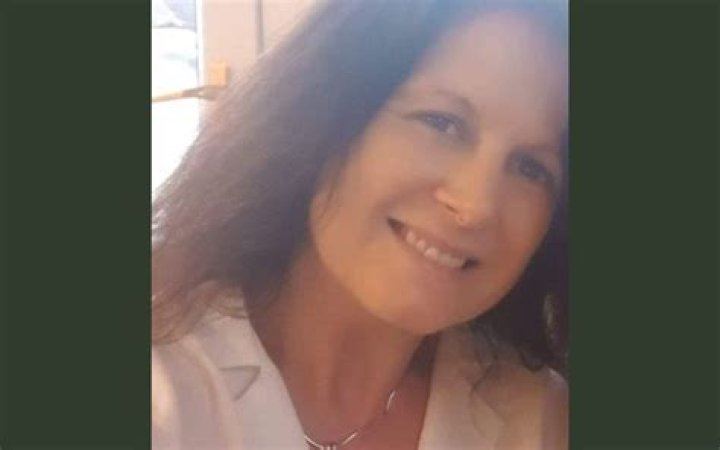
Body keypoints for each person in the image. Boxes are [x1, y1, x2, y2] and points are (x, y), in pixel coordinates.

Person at [151, 0, 568, 448]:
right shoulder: (164, 380)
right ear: (325, 114)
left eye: (531, 167)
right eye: (441, 122)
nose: (477, 204)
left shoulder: (539, 418)